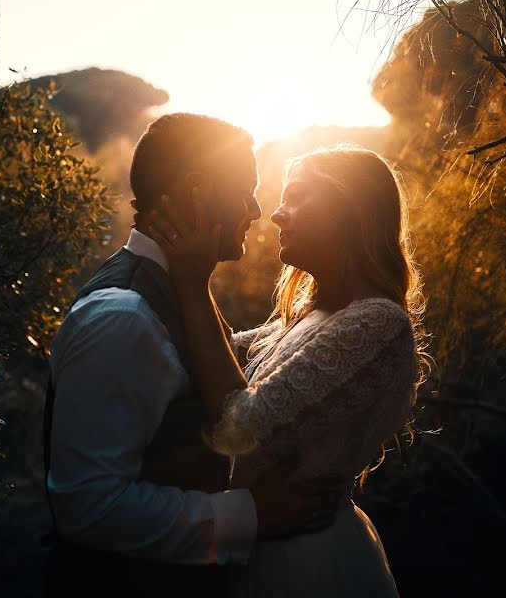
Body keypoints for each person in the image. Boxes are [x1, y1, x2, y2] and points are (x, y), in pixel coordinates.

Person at [43, 113, 342, 597]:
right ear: (198, 191)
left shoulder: (180, 292)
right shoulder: (123, 316)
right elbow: (88, 507)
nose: (255, 210)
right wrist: (252, 514)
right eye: (247, 191)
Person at [144, 143, 430, 597]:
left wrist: (193, 284)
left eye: (296, 196)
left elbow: (240, 428)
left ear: (349, 209)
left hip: (308, 565)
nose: (276, 214)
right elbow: (207, 360)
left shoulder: (378, 323)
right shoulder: (295, 320)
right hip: (257, 550)